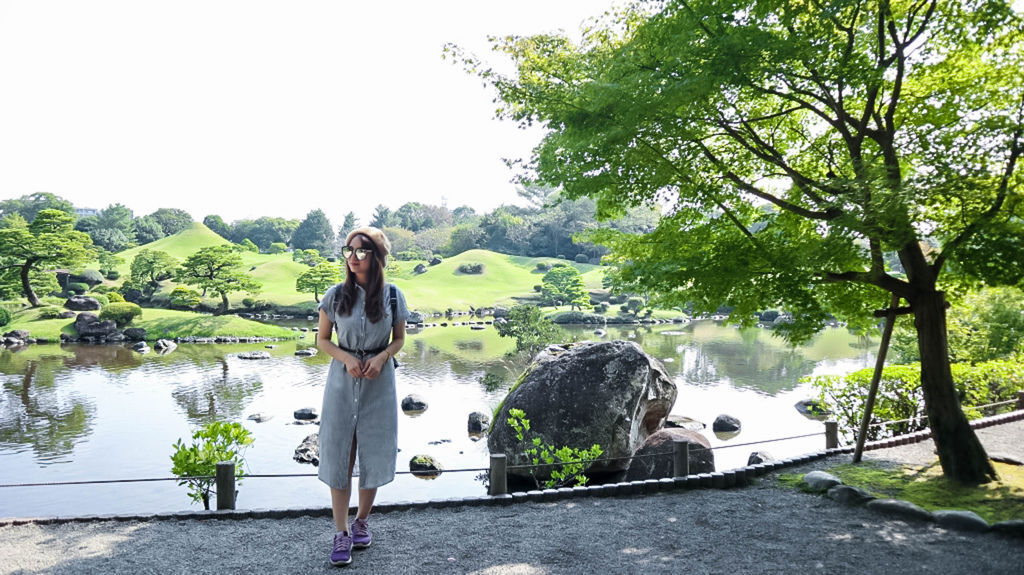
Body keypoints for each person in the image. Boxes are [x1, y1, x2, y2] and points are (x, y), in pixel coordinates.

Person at [316, 226, 408, 567]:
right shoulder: (335, 295)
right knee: (339, 453)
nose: (353, 257)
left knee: (374, 450)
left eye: (361, 251)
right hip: (342, 381)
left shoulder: (394, 296)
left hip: (379, 383)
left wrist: (383, 357)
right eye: (349, 250)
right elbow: (323, 340)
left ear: (377, 257)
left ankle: (361, 521)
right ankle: (341, 533)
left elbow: (399, 339)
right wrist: (347, 358)